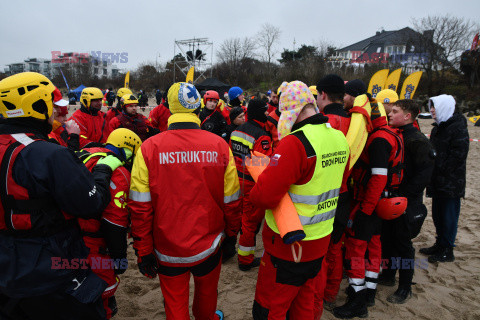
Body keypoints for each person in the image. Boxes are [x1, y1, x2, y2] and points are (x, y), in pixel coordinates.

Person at [0, 72, 123, 319]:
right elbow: (91, 203)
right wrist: (103, 169)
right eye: (50, 103)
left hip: (6, 265)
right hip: (49, 266)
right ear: (35, 105)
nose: (56, 110)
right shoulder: (48, 153)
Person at [128, 82, 241, 320]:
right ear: (197, 105)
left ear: (168, 106)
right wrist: (232, 234)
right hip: (209, 245)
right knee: (207, 295)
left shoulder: (148, 148)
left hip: (168, 247)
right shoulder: (220, 145)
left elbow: (140, 207)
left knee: (175, 304)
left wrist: (143, 250)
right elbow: (232, 200)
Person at [250, 81, 349, 319]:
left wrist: (262, 174)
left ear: (290, 112)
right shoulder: (339, 138)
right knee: (304, 305)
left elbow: (263, 196)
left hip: (288, 244)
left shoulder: (295, 143)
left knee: (270, 307)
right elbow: (340, 185)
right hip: (320, 239)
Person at [334, 98, 404, 318]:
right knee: (374, 247)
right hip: (381, 203)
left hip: (370, 203)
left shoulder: (378, 140)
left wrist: (365, 210)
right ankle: (370, 293)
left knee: (356, 249)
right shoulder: (390, 133)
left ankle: (357, 302)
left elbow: (378, 178)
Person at [76, 128, 142, 318]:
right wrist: (119, 258)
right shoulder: (119, 173)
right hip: (92, 242)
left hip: (64, 236)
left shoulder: (85, 153)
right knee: (101, 291)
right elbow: (114, 223)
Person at [379, 99, 434, 304]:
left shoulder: (417, 139)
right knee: (387, 239)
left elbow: (425, 172)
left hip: (407, 202)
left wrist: (404, 195)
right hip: (390, 200)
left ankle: (404, 287)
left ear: (408, 116)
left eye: (394, 111)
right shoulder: (395, 134)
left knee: (403, 244)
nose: (390, 114)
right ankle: (387, 275)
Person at [314, 74, 352, 311]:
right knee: (336, 248)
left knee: (322, 250)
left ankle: (320, 297)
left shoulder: (324, 121)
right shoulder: (354, 120)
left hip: (324, 192)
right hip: (347, 191)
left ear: (324, 94)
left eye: (318, 95)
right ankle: (330, 295)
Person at [421, 95, 469, 263]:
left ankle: (447, 249)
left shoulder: (457, 127)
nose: (431, 110)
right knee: (438, 215)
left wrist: (440, 169)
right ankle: (439, 243)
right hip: (437, 180)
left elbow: (459, 155)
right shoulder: (437, 128)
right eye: (431, 107)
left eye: (434, 107)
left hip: (451, 183)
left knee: (449, 216)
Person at [230, 98, 273, 270]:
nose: (267, 114)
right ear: (258, 112)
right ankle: (245, 260)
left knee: (237, 219)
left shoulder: (236, 131)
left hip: (235, 181)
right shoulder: (262, 136)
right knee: (249, 223)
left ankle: (229, 250)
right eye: (265, 111)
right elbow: (263, 168)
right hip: (251, 184)